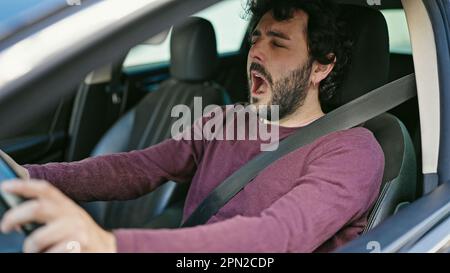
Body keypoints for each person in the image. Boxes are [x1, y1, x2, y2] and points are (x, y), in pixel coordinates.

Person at [0, 0, 384, 253]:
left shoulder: (350, 150)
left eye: (278, 43)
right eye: (255, 39)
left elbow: (278, 236)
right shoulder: (224, 120)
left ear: (321, 66)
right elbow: (140, 167)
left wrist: (111, 244)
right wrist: (28, 177)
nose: (256, 52)